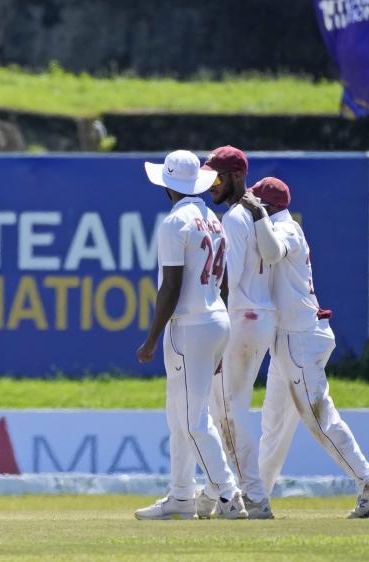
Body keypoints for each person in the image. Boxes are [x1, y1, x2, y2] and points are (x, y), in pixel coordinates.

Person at [242, 177, 369, 519]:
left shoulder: (286, 228)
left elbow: (272, 251)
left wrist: (255, 213)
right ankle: (257, 497)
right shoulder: (276, 224)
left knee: (318, 418)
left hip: (299, 337)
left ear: (267, 207)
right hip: (287, 339)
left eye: (256, 202)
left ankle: (368, 481)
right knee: (274, 426)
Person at [134, 150, 247, 520]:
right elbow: (225, 282)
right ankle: (181, 497)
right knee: (179, 413)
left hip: (191, 325)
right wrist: (219, 333)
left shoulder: (175, 223)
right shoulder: (212, 219)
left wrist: (152, 338)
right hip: (215, 320)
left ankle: (229, 496)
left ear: (168, 185)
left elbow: (170, 287)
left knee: (192, 419)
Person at [202, 146, 275, 519]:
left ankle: (253, 496)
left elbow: (225, 281)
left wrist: (217, 331)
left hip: (240, 319)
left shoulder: (233, 218)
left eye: (216, 176)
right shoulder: (255, 216)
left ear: (234, 177)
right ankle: (218, 491)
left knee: (228, 412)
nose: (210, 184)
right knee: (229, 411)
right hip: (260, 317)